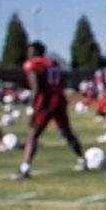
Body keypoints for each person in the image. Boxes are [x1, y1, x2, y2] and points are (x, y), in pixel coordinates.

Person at [14, 41, 86, 178]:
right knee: (66, 132)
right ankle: (83, 159)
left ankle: (25, 169)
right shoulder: (53, 63)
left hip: (45, 101)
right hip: (59, 99)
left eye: (30, 50)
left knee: (33, 134)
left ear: (36, 51)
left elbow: (36, 88)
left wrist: (31, 108)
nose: (28, 53)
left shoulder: (33, 64)